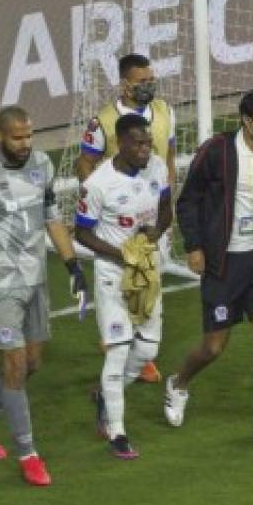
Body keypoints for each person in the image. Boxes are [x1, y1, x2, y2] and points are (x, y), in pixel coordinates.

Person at [164, 89, 253, 442]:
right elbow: (188, 200)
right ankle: (178, 382)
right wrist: (195, 246)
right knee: (214, 345)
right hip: (224, 259)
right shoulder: (217, 151)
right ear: (246, 120)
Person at [0, 106, 89, 487]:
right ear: (0, 136)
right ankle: (29, 455)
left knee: (32, 364)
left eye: (29, 135)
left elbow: (51, 216)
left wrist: (73, 266)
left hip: (36, 281)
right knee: (15, 368)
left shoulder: (42, 165)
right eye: (18, 137)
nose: (25, 143)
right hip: (1, 286)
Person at [76, 53, 187, 384]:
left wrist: (168, 205)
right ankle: (117, 342)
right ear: (124, 84)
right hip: (117, 219)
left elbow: (168, 158)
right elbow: (85, 162)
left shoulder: (165, 112)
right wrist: (97, 198)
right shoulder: (103, 122)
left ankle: (137, 349)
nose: (148, 85)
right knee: (119, 277)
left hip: (153, 215)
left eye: (151, 80)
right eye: (142, 81)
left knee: (149, 279)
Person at [75, 113, 172, 459]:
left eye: (148, 142)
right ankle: (117, 431)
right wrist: (121, 254)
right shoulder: (98, 184)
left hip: (146, 271)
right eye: (139, 143)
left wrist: (155, 233)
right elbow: (82, 232)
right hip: (112, 274)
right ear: (121, 143)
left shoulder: (157, 167)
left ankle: (105, 394)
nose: (146, 149)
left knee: (147, 349)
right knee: (117, 351)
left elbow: (165, 209)